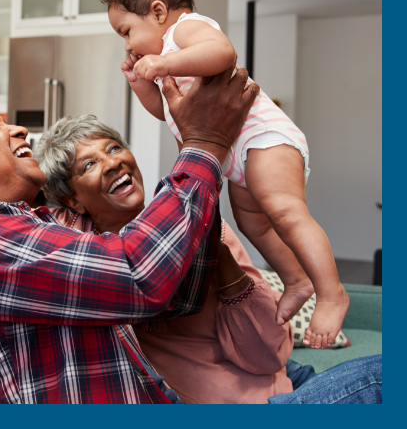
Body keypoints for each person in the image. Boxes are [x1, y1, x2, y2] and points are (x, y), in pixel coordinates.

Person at [0, 67, 259, 403]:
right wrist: (203, 146)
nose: (19, 130)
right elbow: (138, 276)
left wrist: (198, 145)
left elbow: (177, 297)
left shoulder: (33, 224)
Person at [34, 115, 382, 404]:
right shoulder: (87, 257)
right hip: (244, 401)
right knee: (380, 379)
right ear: (73, 201)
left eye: (113, 148)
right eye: (90, 164)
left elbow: (268, 356)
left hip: (278, 370)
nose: (112, 163)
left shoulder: (191, 221)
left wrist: (219, 256)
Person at [102, 0, 349, 349]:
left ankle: (333, 293)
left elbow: (223, 53)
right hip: (234, 153)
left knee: (285, 211)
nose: (127, 42)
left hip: (261, 137)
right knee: (256, 224)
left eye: (126, 30)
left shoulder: (183, 31)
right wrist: (139, 83)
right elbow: (165, 112)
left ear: (159, 12)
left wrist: (163, 65)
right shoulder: (166, 53)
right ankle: (296, 279)